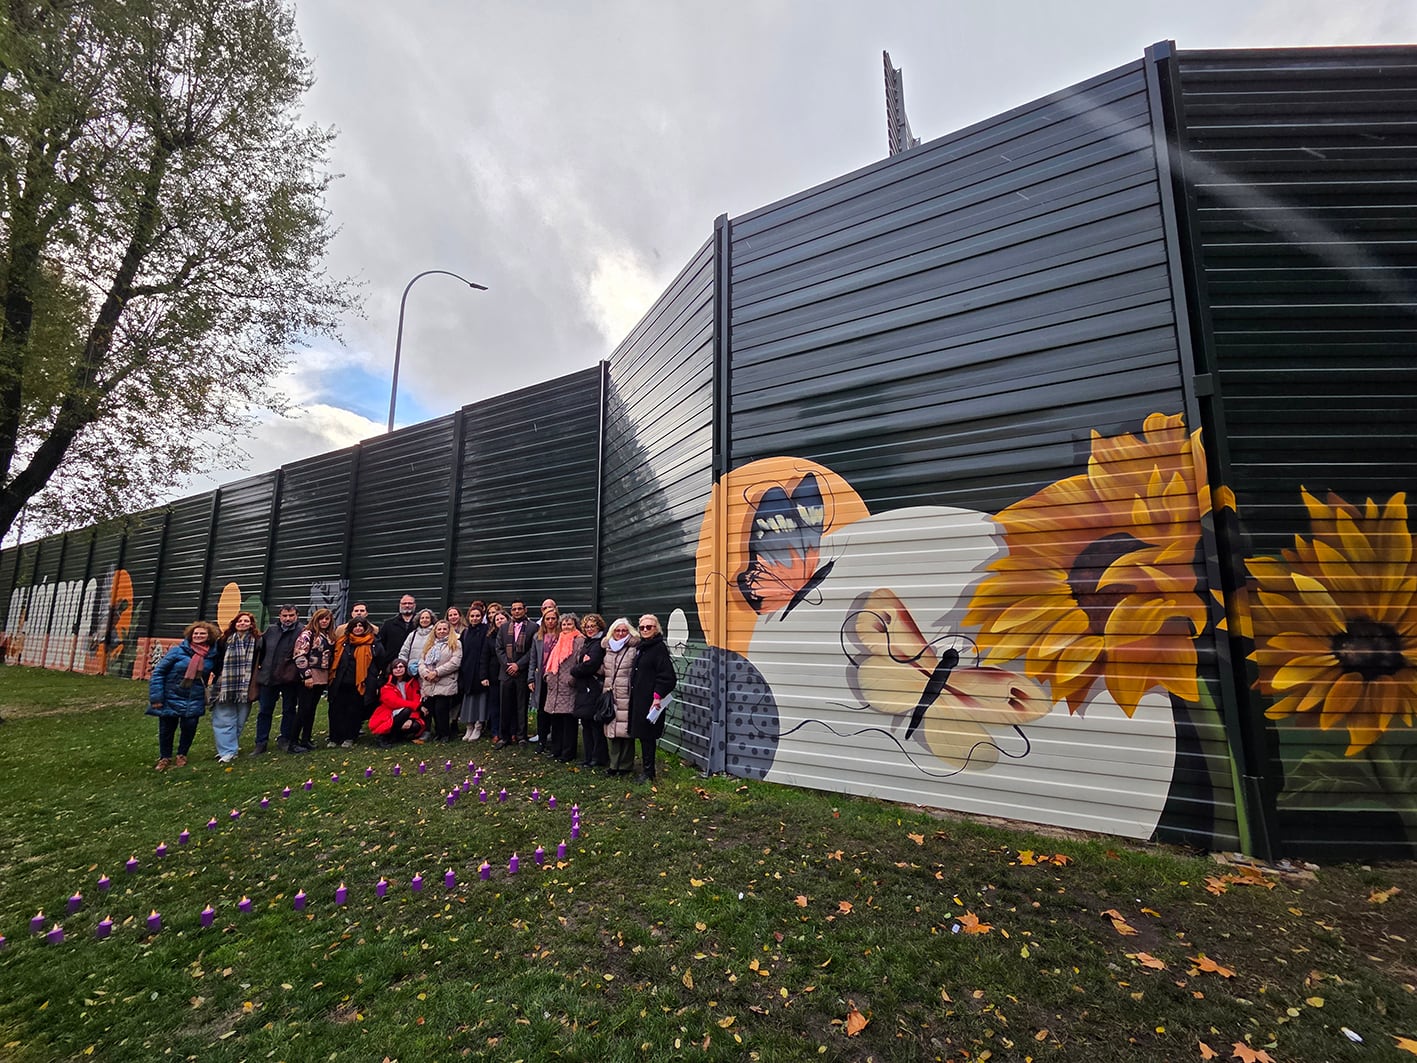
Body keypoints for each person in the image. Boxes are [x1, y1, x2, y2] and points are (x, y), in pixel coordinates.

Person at [148, 620, 221, 770]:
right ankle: (165, 757)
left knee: (189, 727)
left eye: (202, 634)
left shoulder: (211, 655)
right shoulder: (177, 651)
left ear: (209, 636)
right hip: (171, 694)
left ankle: (182, 754)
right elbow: (159, 672)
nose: (198, 636)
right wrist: (156, 697)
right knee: (167, 728)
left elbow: (219, 672)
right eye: (196, 633)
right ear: (190, 635)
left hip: (194, 697)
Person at [629, 614, 677, 784]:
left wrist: (657, 697)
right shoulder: (643, 646)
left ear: (656, 629)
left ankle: (649, 772)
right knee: (643, 736)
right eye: (642, 627)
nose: (645, 630)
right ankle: (646, 769)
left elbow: (668, 677)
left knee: (648, 736)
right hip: (640, 697)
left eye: (649, 627)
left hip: (650, 700)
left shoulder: (658, 648)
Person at [251, 604, 301, 755]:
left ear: (297, 616)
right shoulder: (271, 630)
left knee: (289, 710)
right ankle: (261, 742)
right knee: (264, 710)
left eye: (291, 615)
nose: (288, 619)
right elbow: (260, 651)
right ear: (280, 616)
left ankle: (285, 739)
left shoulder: (302, 631)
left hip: (289, 679)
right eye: (284, 616)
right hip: (269, 677)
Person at [208, 612, 257, 764]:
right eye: (239, 621)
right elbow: (216, 661)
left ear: (251, 624)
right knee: (223, 719)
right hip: (225, 686)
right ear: (234, 624)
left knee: (240, 720)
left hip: (246, 686)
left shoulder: (257, 641)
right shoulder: (223, 641)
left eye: (246, 621)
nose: (242, 623)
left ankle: (230, 748)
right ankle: (227, 751)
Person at [328, 616, 381, 746]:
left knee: (354, 710)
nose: (358, 628)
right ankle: (335, 737)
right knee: (335, 710)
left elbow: (380, 661)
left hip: (359, 683)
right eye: (355, 626)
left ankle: (350, 736)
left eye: (360, 626)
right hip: (340, 681)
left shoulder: (373, 642)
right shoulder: (342, 641)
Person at [540, 612, 583, 762]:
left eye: (569, 624)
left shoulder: (579, 641)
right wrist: (547, 676)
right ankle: (556, 749)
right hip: (555, 686)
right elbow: (551, 661)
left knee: (568, 722)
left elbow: (580, 662)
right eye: (564, 624)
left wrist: (573, 679)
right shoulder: (560, 639)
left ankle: (568, 752)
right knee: (556, 721)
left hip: (568, 686)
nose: (566, 626)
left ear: (575, 625)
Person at [292, 608, 335, 753]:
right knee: (303, 709)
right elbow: (299, 655)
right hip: (309, 676)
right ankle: (293, 742)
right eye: (321, 618)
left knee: (311, 709)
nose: (324, 621)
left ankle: (306, 739)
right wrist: (307, 676)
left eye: (327, 619)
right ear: (316, 619)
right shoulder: (307, 634)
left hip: (322, 676)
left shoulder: (329, 635)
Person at [493, 600, 534, 747]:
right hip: (506, 673)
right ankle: (504, 737)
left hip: (522, 672)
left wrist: (518, 665)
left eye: (519, 609)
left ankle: (521, 736)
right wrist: (508, 665)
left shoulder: (533, 627)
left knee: (521, 706)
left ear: (525, 610)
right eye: (514, 609)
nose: (516, 611)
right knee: (505, 706)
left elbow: (532, 650)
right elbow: (499, 649)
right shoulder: (504, 627)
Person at [601, 617, 639, 777]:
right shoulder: (608, 648)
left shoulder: (633, 648)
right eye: (617, 630)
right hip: (611, 694)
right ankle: (613, 764)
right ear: (612, 632)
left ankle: (625, 765)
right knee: (613, 731)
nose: (621, 633)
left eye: (624, 630)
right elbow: (604, 670)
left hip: (627, 695)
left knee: (626, 731)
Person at [571, 613, 608, 770]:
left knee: (595, 724)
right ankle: (588, 756)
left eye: (593, 626)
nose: (590, 629)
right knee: (586, 723)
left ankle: (598, 757)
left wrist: (575, 669)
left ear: (599, 627)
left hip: (593, 689)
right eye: (587, 627)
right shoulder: (588, 642)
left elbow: (590, 665)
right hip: (584, 688)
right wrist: (582, 665)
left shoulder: (599, 644)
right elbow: (583, 663)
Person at [419, 619, 462, 742]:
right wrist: (426, 673)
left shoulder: (455, 643)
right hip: (429, 682)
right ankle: (437, 733)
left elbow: (455, 662)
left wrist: (437, 672)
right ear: (435, 631)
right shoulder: (429, 644)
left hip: (445, 681)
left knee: (441, 709)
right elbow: (421, 661)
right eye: (439, 629)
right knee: (432, 709)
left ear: (449, 631)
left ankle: (445, 734)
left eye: (444, 629)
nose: (442, 631)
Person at [458, 603, 496, 741]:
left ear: (482, 617)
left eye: (477, 616)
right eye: (472, 616)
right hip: (467, 670)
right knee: (468, 699)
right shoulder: (465, 632)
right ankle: (469, 725)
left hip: (480, 670)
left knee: (481, 699)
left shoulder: (486, 631)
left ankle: (479, 725)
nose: (474, 618)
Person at [369, 659, 425, 745]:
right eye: (395, 667)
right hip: (390, 712)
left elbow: (416, 700)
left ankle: (396, 735)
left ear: (405, 668)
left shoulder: (413, 682)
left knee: (415, 725)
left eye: (401, 667)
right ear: (391, 670)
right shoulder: (387, 683)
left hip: (408, 713)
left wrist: (411, 719)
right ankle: (384, 737)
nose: (398, 669)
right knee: (406, 710)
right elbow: (394, 702)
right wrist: (417, 706)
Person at [529, 602, 561, 752]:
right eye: (547, 619)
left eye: (553, 618)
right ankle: (541, 740)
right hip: (541, 678)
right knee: (542, 711)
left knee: (555, 711)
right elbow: (533, 659)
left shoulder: (561, 636)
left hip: (556, 679)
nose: (550, 621)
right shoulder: (538, 637)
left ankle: (555, 740)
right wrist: (531, 678)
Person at [376, 594, 417, 660]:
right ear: (400, 605)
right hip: (392, 662)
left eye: (410, 603)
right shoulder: (388, 624)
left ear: (414, 605)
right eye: (404, 603)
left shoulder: (421, 624)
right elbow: (380, 644)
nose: (407, 605)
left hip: (415, 663)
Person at [397, 609, 437, 676]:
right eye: (422, 618)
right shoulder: (412, 635)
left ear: (431, 620)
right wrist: (406, 667)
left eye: (427, 618)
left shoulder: (436, 634)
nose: (424, 620)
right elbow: (404, 653)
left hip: (428, 672)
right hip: (412, 672)